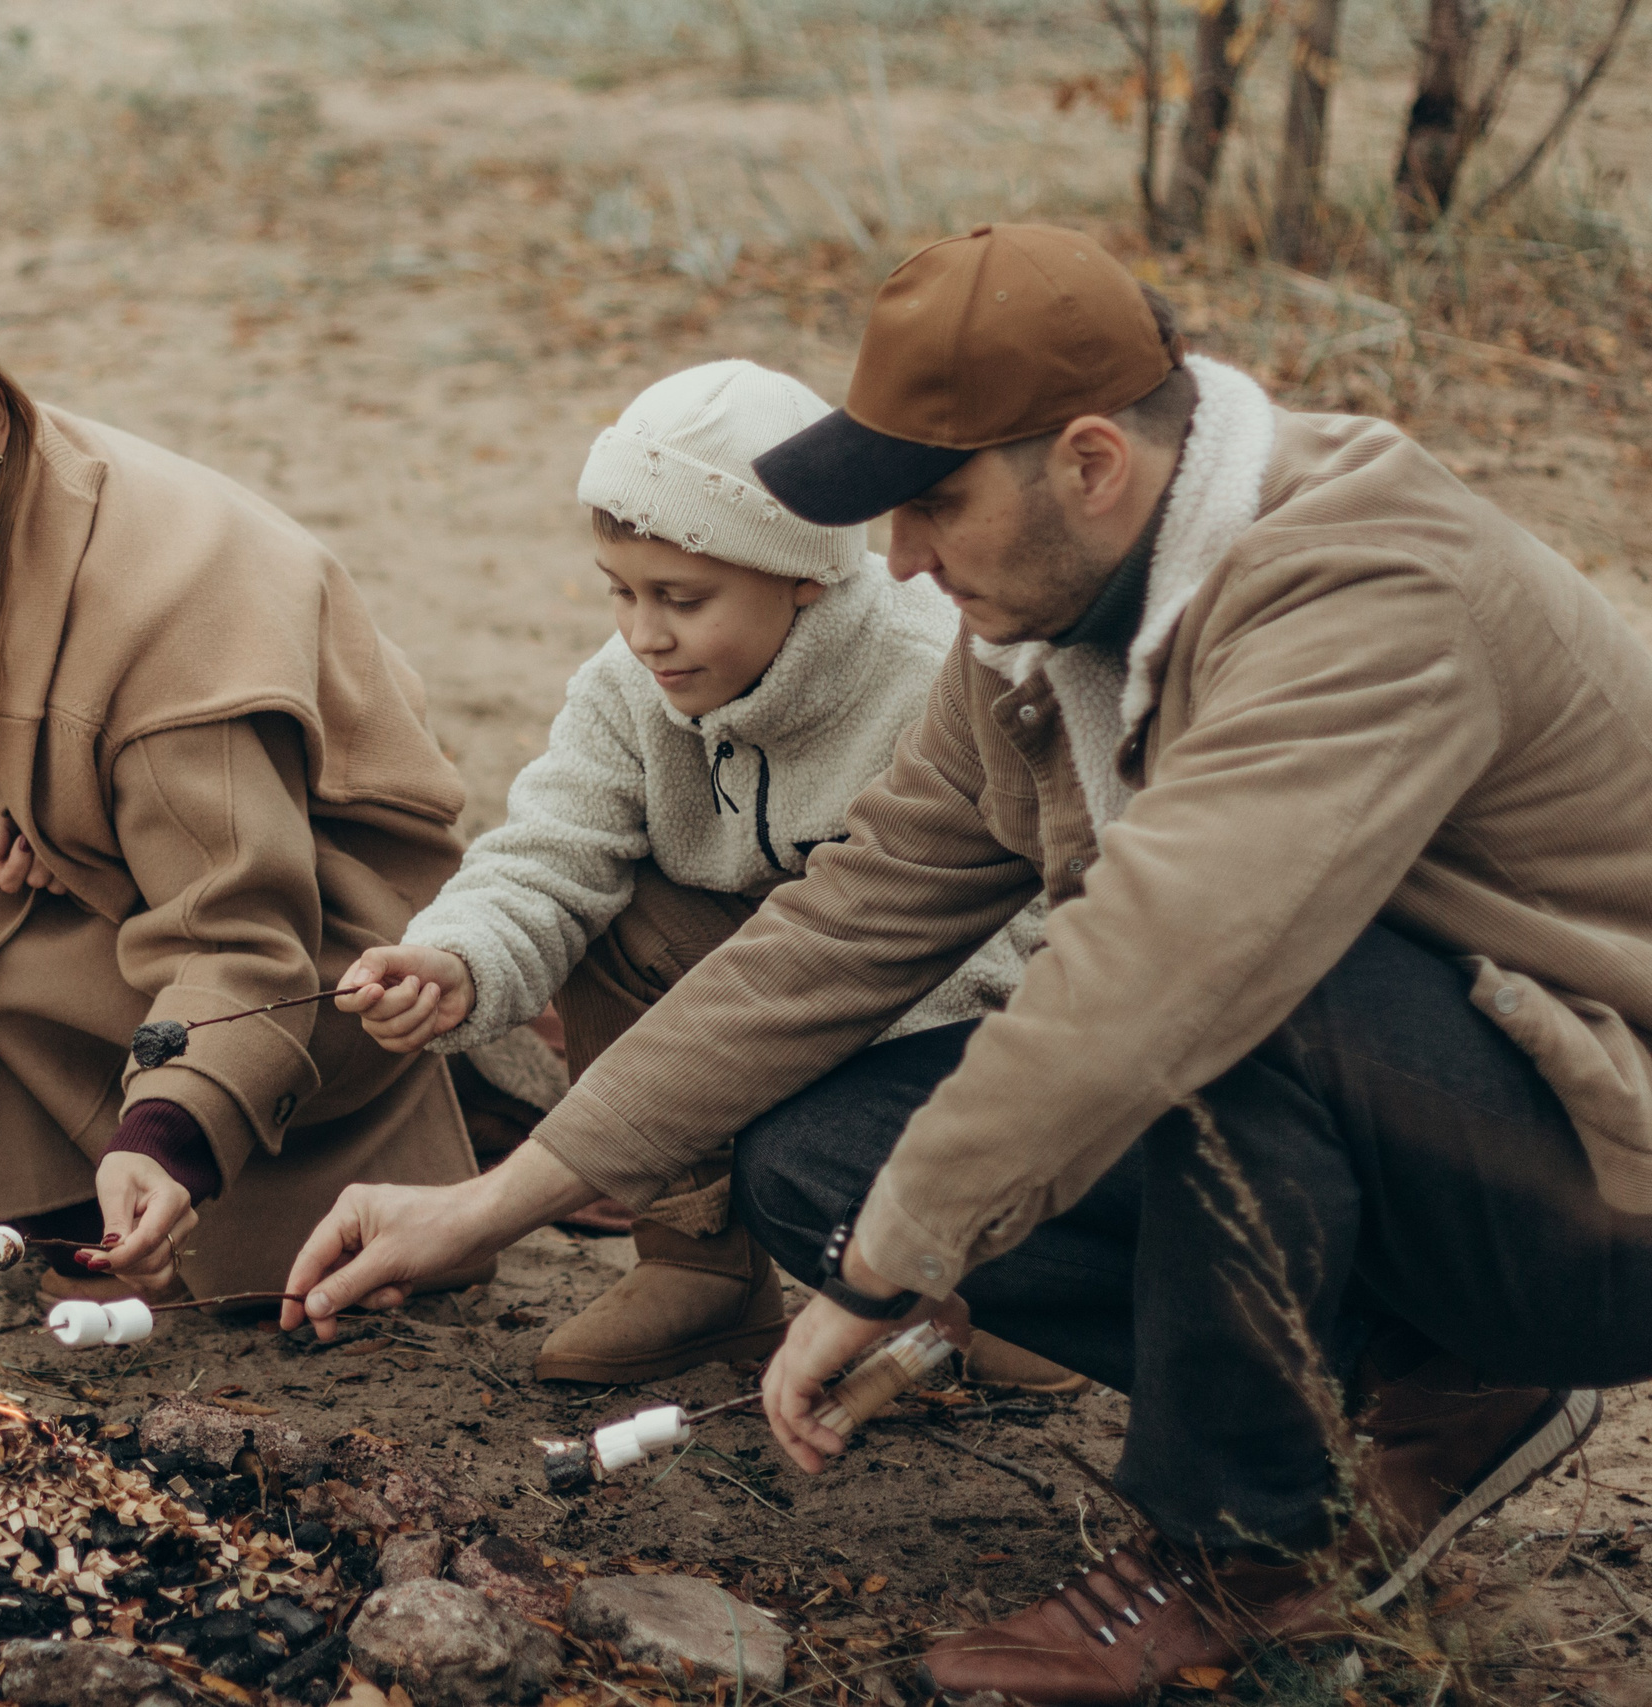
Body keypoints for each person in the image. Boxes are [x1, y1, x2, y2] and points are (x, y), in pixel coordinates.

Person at [283, 224, 1652, 1703]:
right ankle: (1430, 1380)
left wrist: (896, 1265)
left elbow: (1161, 964)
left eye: (933, 504)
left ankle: (1244, 1541)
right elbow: (853, 921)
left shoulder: (1358, 586)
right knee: (816, 1154)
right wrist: (505, 1195)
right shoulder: (1037, 629)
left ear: (1089, 462)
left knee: (1224, 991)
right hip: (1408, 1117)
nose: (903, 561)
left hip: (1597, 1169)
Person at [0, 261, 480, 1302]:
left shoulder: (159, 617)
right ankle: (46, 1189)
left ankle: (135, 1179)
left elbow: (246, 940)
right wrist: (15, 803)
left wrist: (170, 1132)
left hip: (329, 949)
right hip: (138, 874)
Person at [336, 360, 1039, 1385]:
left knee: (880, 1133)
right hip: (763, 994)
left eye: (681, 597)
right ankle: (697, 1262)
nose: (642, 632)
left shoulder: (930, 680)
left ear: (804, 571)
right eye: (619, 591)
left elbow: (1018, 946)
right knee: (612, 909)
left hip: (930, 1016)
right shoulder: (630, 689)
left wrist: (806, 1059)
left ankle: (976, 1288)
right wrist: (462, 957)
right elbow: (547, 853)